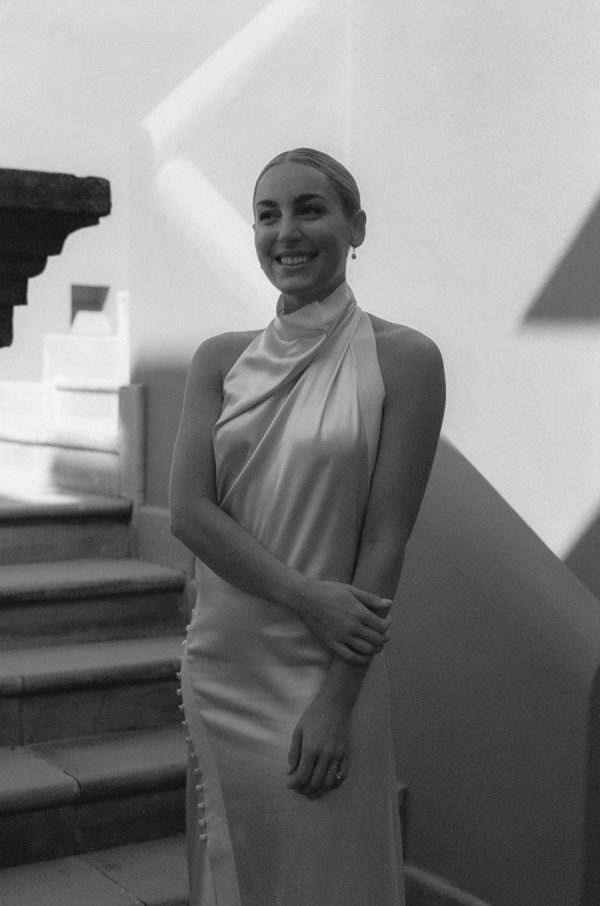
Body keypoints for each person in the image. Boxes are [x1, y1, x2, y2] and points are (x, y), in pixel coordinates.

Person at [170, 147, 445, 906]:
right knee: (232, 871)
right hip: (225, 664)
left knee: (329, 878)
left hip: (331, 672)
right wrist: (303, 595)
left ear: (357, 227)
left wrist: (337, 701)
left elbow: (385, 540)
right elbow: (190, 512)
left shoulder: (407, 359)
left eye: (309, 209)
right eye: (267, 215)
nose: (285, 232)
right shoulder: (218, 360)